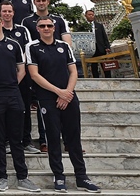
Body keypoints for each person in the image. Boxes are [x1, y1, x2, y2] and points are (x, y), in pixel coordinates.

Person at [26, 16, 100, 193]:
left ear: (54, 28)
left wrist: (67, 93)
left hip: (69, 96)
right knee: (53, 138)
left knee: (74, 138)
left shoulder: (64, 46)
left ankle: (82, 176)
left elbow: (73, 71)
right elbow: (34, 75)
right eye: (42, 26)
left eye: (49, 26)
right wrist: (58, 92)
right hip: (47, 98)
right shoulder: (32, 47)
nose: (46, 28)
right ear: (37, 29)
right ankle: (59, 176)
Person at [0, 11, 40, 193]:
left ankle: (22, 177)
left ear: (2, 22)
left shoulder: (15, 44)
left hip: (13, 94)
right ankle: (1, 176)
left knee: (16, 138)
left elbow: (21, 69)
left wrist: (11, 84)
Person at [0, 0, 39, 155]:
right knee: (7, 111)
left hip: (23, 76)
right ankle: (8, 141)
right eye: (4, 11)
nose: (7, 14)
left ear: (13, 13)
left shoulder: (22, 31)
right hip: (5, 77)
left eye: (9, 11)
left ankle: (26, 141)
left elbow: (28, 52)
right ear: (0, 12)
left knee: (24, 109)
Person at [86, 10, 112, 78]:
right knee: (94, 66)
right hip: (91, 49)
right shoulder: (83, 27)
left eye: (92, 14)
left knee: (105, 65)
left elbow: (104, 37)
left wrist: (107, 47)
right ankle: (96, 79)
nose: (91, 16)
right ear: (86, 16)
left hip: (100, 48)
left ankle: (109, 79)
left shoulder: (99, 26)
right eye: (89, 14)